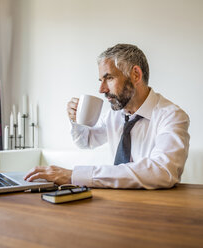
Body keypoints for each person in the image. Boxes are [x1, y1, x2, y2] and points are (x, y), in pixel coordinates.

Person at [24, 44, 190, 189]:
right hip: (115, 203)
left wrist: (74, 175)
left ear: (136, 75)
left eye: (109, 78)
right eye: (100, 80)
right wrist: (75, 121)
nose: (101, 89)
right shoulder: (116, 115)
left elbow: (162, 172)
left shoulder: (172, 116)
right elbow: (86, 141)